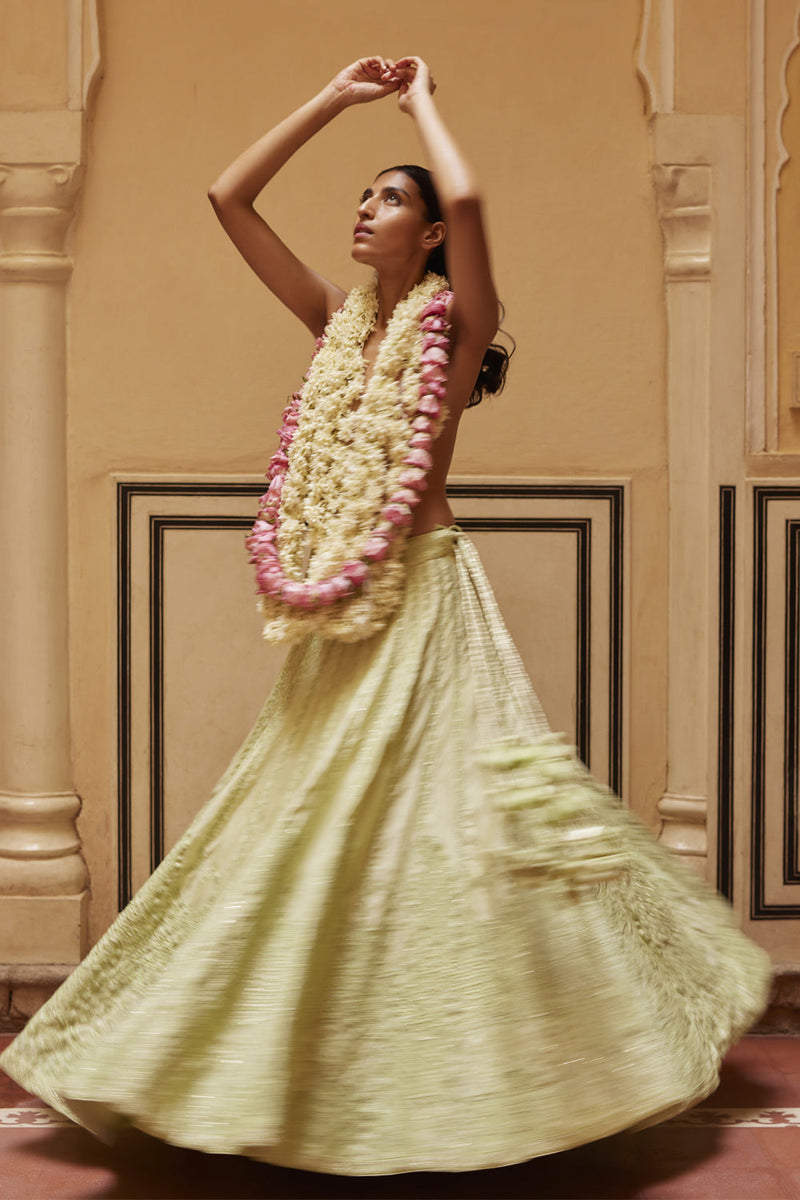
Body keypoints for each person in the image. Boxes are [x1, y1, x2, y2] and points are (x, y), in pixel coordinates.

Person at [0, 56, 770, 1176]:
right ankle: (308, 1064)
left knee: (451, 828)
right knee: (310, 823)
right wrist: (328, 98)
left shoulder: (454, 331)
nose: (366, 209)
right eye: (361, 195)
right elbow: (227, 199)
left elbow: (469, 201)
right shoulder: (337, 326)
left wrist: (419, 107)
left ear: (429, 238)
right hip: (339, 616)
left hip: (423, 596)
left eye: (387, 197)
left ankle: (489, 1064)